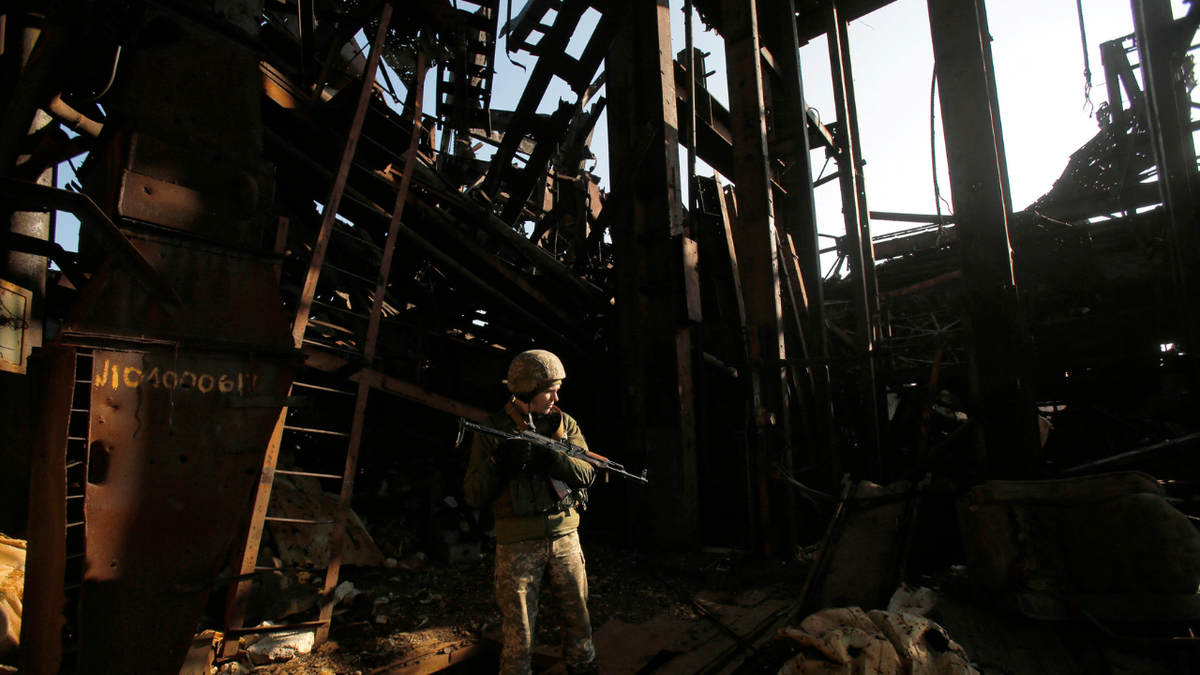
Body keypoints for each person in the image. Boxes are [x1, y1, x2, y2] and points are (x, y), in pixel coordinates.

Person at [463, 350, 599, 675]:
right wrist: (498, 462)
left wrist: (553, 458)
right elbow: (473, 495)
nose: (556, 395)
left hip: (565, 538)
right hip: (518, 546)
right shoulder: (493, 428)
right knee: (519, 635)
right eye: (549, 389)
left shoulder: (565, 425)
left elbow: (588, 473)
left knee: (579, 622)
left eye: (557, 387)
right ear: (526, 391)